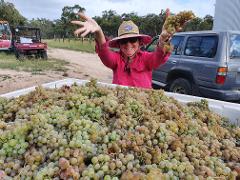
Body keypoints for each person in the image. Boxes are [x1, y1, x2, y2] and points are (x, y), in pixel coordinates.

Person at [71, 12, 173, 89]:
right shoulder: (116, 59)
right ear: (119, 44)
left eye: (132, 40)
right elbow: (104, 52)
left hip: (144, 105)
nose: (128, 44)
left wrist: (164, 40)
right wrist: (99, 31)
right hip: (120, 106)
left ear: (140, 43)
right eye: (124, 41)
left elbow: (159, 56)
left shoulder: (146, 59)